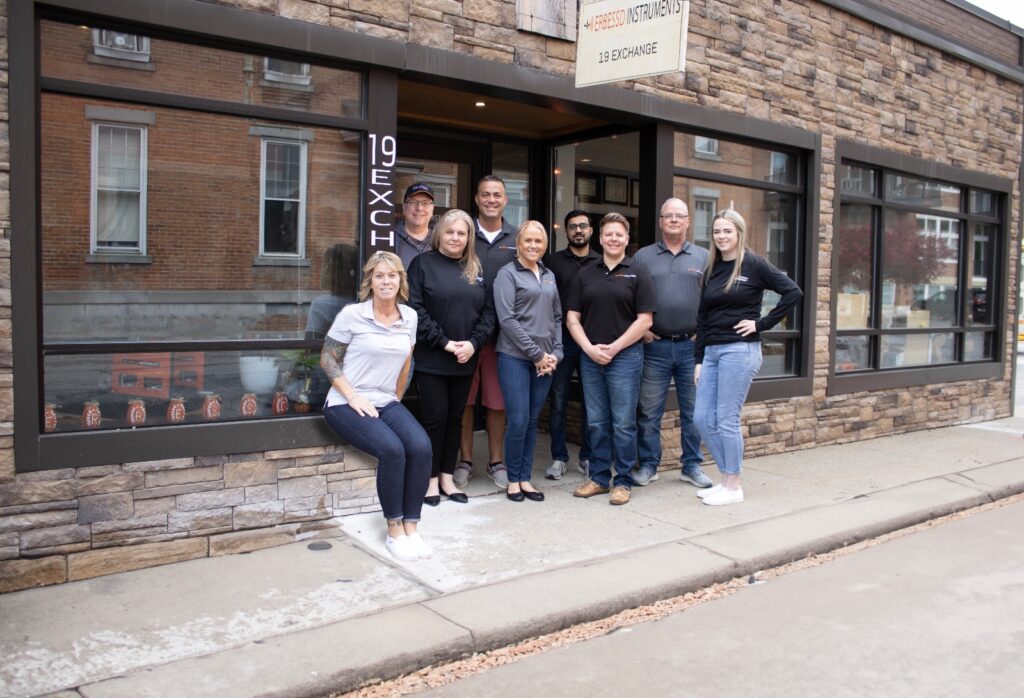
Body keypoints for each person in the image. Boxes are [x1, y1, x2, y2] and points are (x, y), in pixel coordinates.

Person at [320, 251, 433, 562]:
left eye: (392, 275)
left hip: (385, 400)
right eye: (380, 275)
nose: (386, 281)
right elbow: (328, 359)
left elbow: (406, 362)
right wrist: (353, 395)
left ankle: (412, 528)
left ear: (401, 281)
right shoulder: (352, 315)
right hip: (345, 401)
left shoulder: (409, 317)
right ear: (370, 281)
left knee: (421, 447)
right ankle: (395, 530)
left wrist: (395, 398)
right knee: (392, 450)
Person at [693, 209, 802, 506]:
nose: (721, 236)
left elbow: (792, 292)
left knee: (726, 418)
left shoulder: (753, 264)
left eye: (727, 231)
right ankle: (725, 478)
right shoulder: (712, 268)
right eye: (717, 231)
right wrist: (699, 359)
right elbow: (702, 317)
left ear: (739, 233)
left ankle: (733, 485)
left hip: (739, 351)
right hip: (713, 352)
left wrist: (761, 324)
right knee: (702, 417)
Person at [407, 209, 495, 506]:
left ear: (469, 237)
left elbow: (488, 314)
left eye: (462, 233)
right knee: (434, 419)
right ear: (439, 234)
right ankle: (429, 480)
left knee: (456, 419)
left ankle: (447, 476)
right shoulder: (422, 265)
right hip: (434, 358)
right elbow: (414, 310)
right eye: (450, 232)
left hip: (465, 359)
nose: (456, 238)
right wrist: (445, 343)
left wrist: (472, 344)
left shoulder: (475, 268)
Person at [566, 213, 656, 506]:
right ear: (600, 237)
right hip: (591, 357)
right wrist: (590, 349)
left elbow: (644, 320)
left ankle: (623, 481)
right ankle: (600, 478)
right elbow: (572, 318)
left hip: (625, 357)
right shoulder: (586, 273)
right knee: (596, 421)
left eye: (619, 234)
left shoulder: (638, 271)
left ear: (627, 239)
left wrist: (614, 348)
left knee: (623, 423)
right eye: (608, 234)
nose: (613, 239)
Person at [632, 198, 712, 489]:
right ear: (660, 221)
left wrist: (703, 333)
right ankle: (649, 465)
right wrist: (641, 331)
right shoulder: (643, 257)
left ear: (688, 221)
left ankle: (691, 466)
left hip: (692, 348)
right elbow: (631, 296)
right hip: (655, 347)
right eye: (669, 216)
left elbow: (713, 302)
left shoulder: (704, 257)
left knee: (694, 412)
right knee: (649, 412)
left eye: (680, 216)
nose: (674, 220)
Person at [456, 175, 517, 489]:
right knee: (464, 403)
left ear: (505, 200)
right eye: (486, 195)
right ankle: (465, 461)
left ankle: (496, 461)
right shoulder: (463, 236)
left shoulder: (518, 238)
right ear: (477, 200)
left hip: (502, 339)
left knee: (497, 403)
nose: (491, 200)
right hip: (465, 337)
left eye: (497, 195)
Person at [493, 220, 562, 502]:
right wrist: (536, 354)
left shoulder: (549, 275)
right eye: (528, 240)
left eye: (539, 241)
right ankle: (512, 480)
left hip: (546, 361)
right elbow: (506, 319)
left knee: (532, 421)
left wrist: (556, 353)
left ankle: (525, 478)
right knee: (519, 420)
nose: (533, 245)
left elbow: (557, 317)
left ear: (544, 245)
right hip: (515, 358)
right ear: (518, 243)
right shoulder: (507, 274)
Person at [543, 209, 599, 480]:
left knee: (592, 401)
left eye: (583, 226)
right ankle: (558, 457)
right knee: (559, 401)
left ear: (591, 230)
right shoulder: (552, 262)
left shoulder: (601, 263)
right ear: (565, 231)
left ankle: (587, 457)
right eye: (573, 227)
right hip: (560, 340)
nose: (578, 230)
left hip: (591, 339)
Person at [305, 243, 359, 339]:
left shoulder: (322, 305)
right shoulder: (362, 302)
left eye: (328, 266)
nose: (324, 271)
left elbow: (311, 348)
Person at [394, 183, 435, 270]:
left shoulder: (441, 241)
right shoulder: (389, 240)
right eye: (413, 202)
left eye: (425, 203)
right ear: (404, 208)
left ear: (432, 209)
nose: (419, 208)